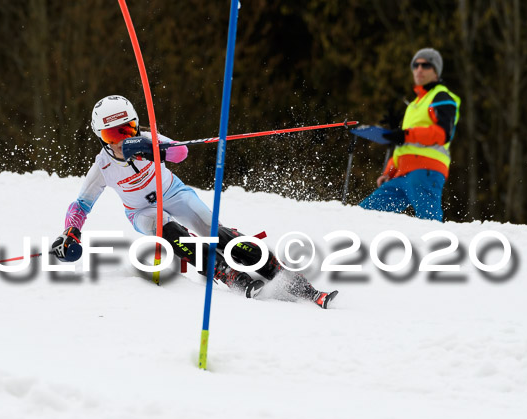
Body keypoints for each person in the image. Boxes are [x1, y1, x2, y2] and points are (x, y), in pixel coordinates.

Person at [51, 95, 338, 308]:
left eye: (127, 130)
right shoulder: (102, 167)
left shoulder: (148, 139)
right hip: (141, 211)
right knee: (170, 232)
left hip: (174, 193)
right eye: (112, 134)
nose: (121, 141)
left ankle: (288, 277)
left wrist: (153, 150)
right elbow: (81, 205)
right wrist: (71, 232)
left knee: (216, 232)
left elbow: (180, 153)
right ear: (100, 137)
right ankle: (230, 276)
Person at [360, 48, 461, 221]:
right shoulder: (415, 104)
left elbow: (442, 134)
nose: (419, 69)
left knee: (429, 225)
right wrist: (389, 172)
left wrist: (405, 134)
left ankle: (441, 247)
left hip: (426, 172)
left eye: (425, 65)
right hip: (402, 175)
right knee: (364, 215)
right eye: (416, 65)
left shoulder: (442, 97)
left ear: (436, 70)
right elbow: (405, 146)